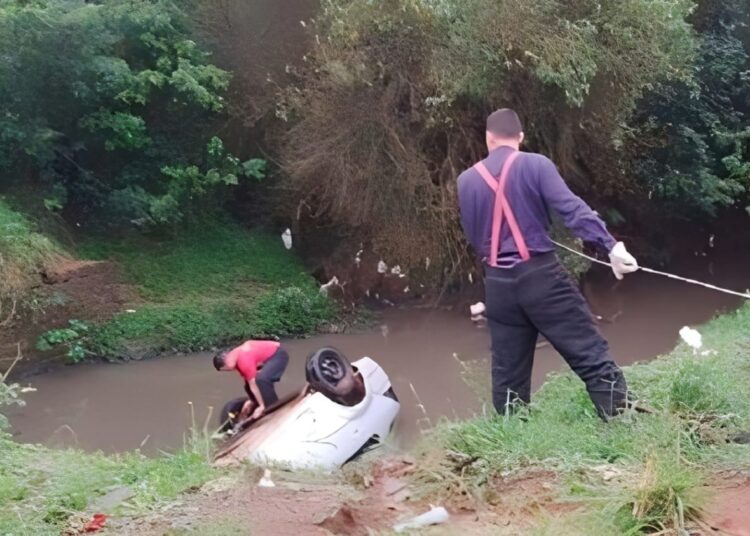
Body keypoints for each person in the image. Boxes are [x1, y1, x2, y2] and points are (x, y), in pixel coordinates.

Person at [456, 108, 639, 419]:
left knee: (508, 378)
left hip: (498, 286)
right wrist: (611, 246)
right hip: (541, 278)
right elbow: (572, 210)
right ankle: (623, 425)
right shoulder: (536, 164)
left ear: (488, 138)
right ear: (521, 137)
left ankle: (512, 446)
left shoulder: (465, 181)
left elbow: (475, 238)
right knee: (590, 354)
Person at [214, 340, 290, 423]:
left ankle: (272, 408)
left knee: (262, 380)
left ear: (226, 363)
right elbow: (249, 383)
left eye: (227, 370)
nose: (230, 370)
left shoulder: (243, 359)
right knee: (247, 385)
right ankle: (258, 404)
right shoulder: (236, 360)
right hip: (265, 360)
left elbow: (253, 384)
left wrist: (262, 406)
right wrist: (251, 401)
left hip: (277, 354)